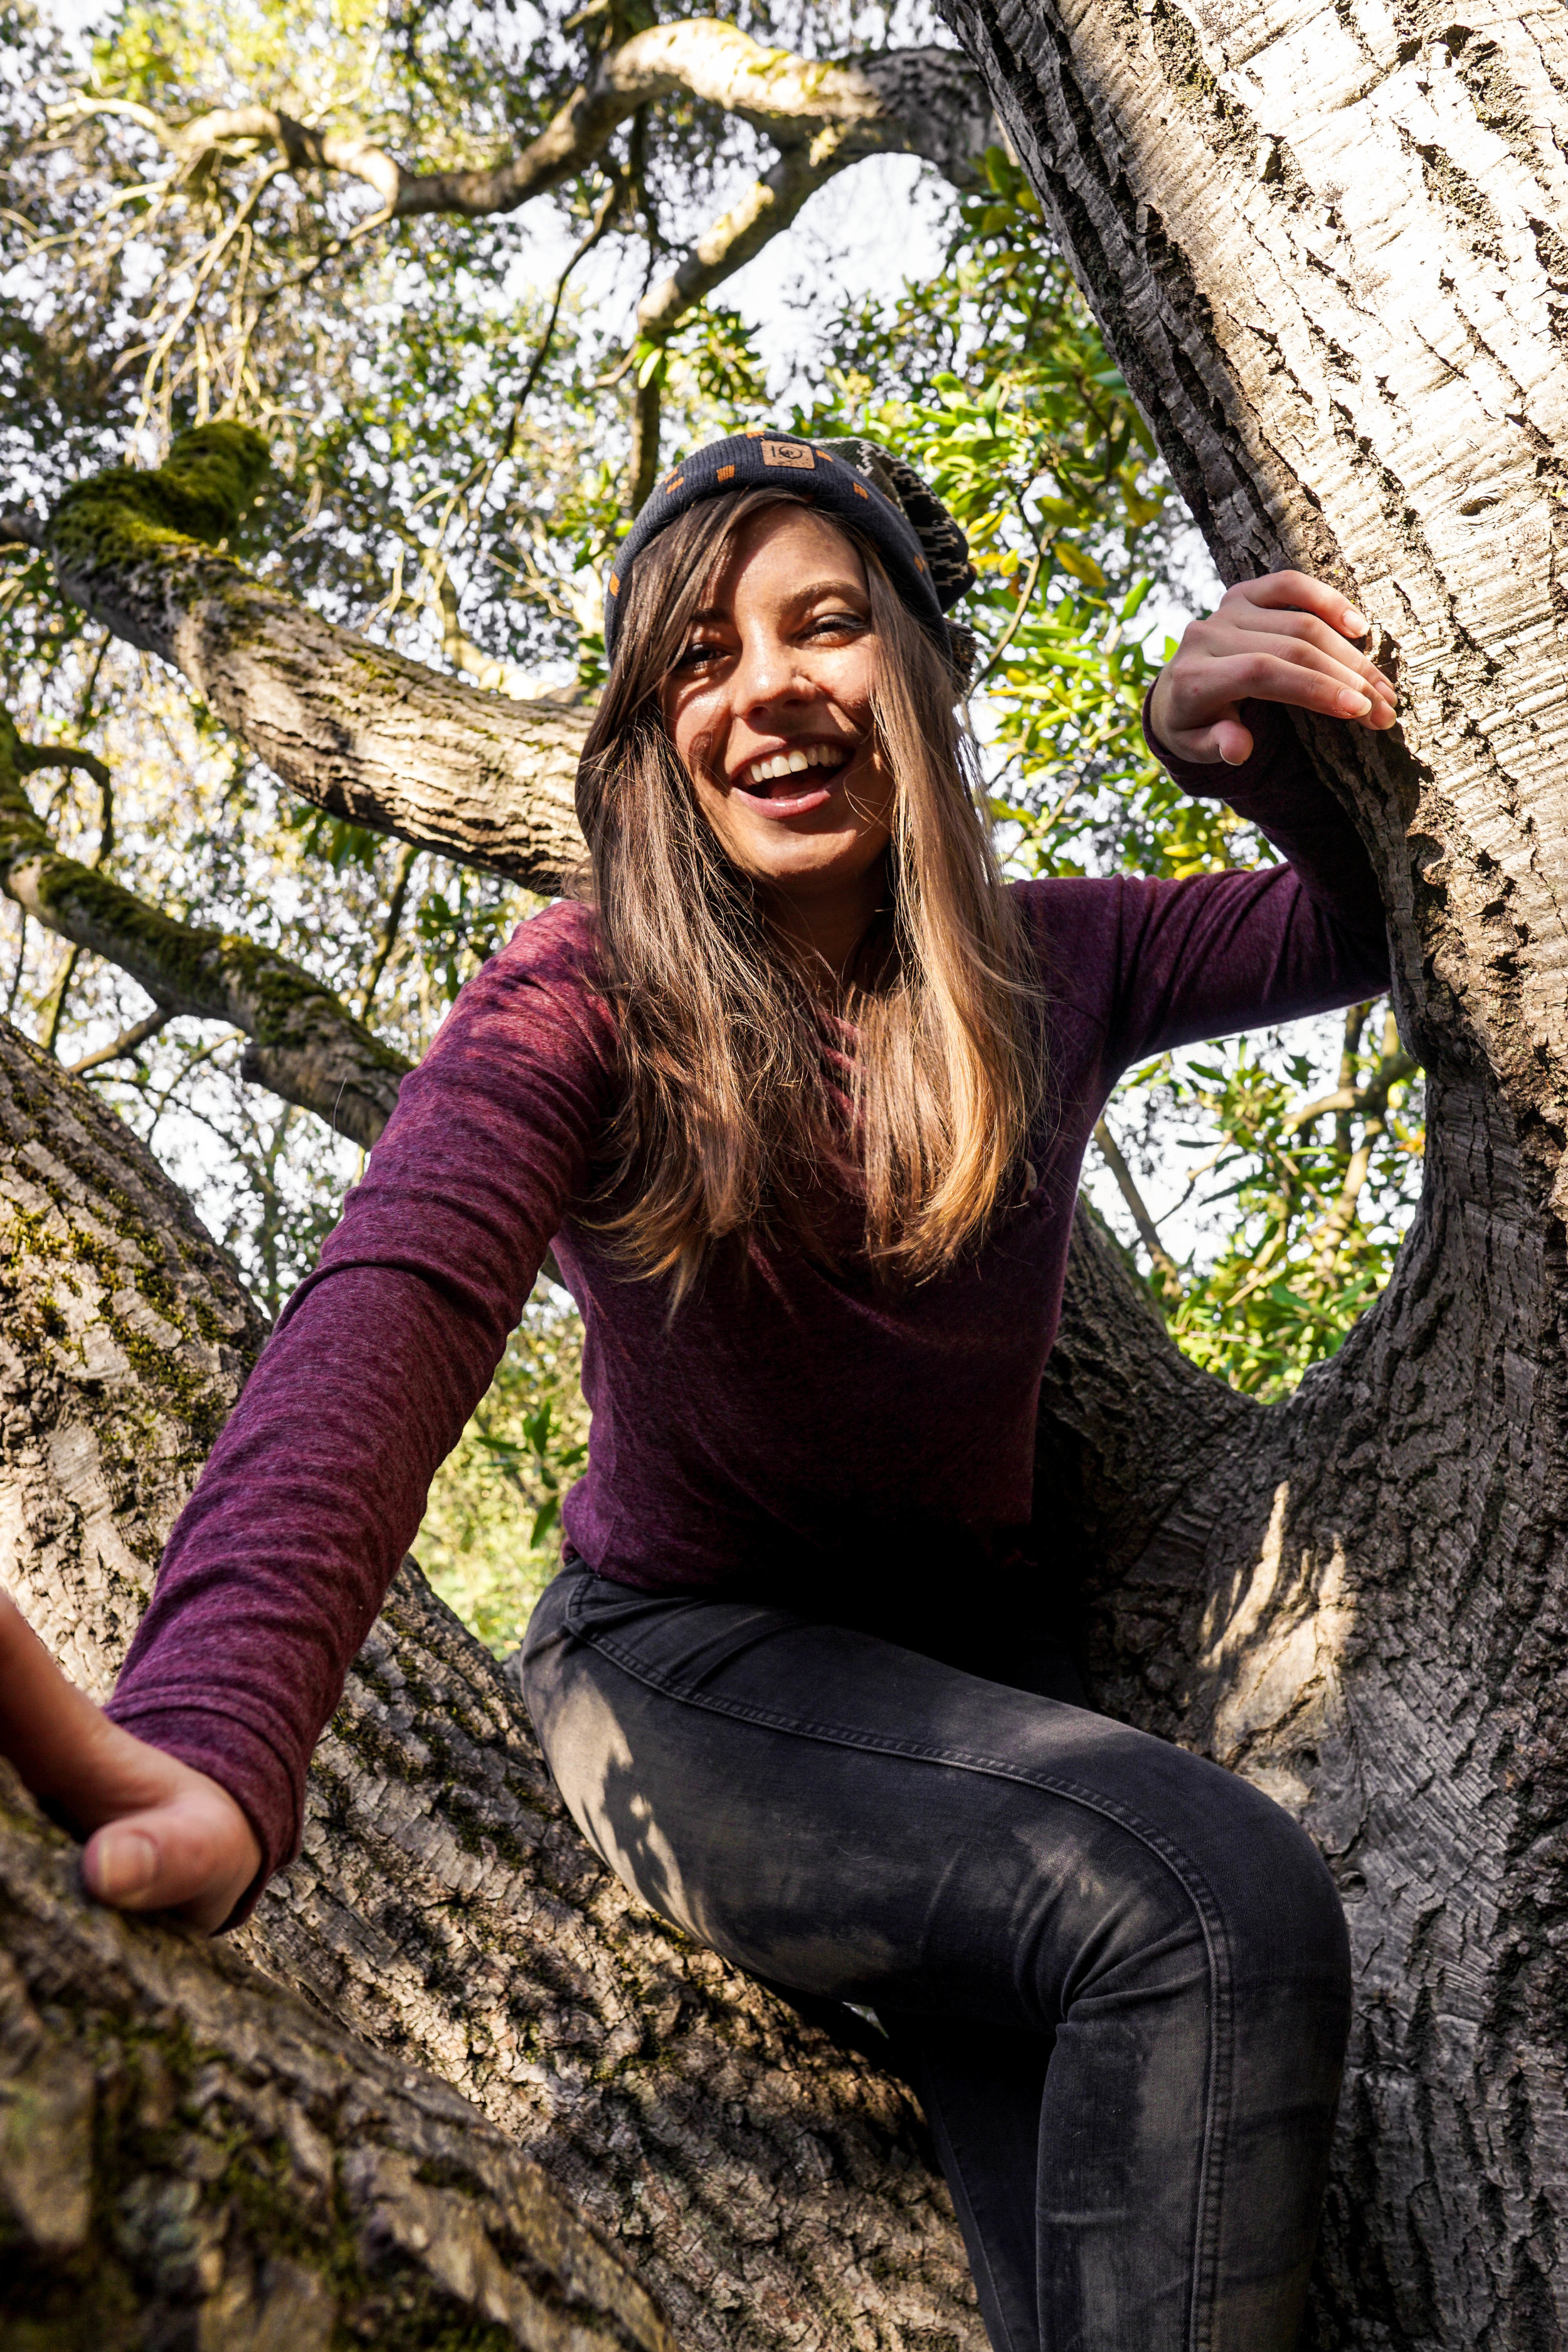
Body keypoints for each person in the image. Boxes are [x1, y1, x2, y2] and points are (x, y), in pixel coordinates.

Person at [0, 430, 1397, 2351]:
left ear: (919, 666)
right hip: (685, 1675)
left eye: (825, 623)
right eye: (697, 659)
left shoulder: (1048, 965)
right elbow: (386, 1309)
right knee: (1209, 1899)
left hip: (964, 1712)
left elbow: (1356, 926)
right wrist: (219, 1731)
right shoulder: (579, 998)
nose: (768, 691)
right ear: (654, 739)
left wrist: (1233, 756)